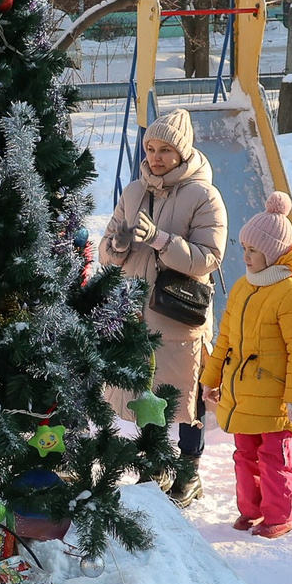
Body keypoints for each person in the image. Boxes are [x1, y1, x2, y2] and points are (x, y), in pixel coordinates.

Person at [98, 109, 227, 506]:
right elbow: (105, 251)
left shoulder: (204, 195)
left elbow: (209, 258)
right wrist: (117, 247)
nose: (155, 157)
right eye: (150, 148)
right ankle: (154, 465)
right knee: (144, 393)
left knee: (185, 398)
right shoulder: (135, 190)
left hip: (177, 316)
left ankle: (189, 473)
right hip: (134, 312)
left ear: (182, 152)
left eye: (165, 150)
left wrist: (160, 240)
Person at [199, 196, 292, 539]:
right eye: (245, 247)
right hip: (241, 392)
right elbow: (225, 339)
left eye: (254, 249)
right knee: (244, 455)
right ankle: (250, 510)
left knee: (273, 458)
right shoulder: (242, 286)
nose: (245, 255)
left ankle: (278, 515)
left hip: (275, 395)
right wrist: (212, 377)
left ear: (275, 253)